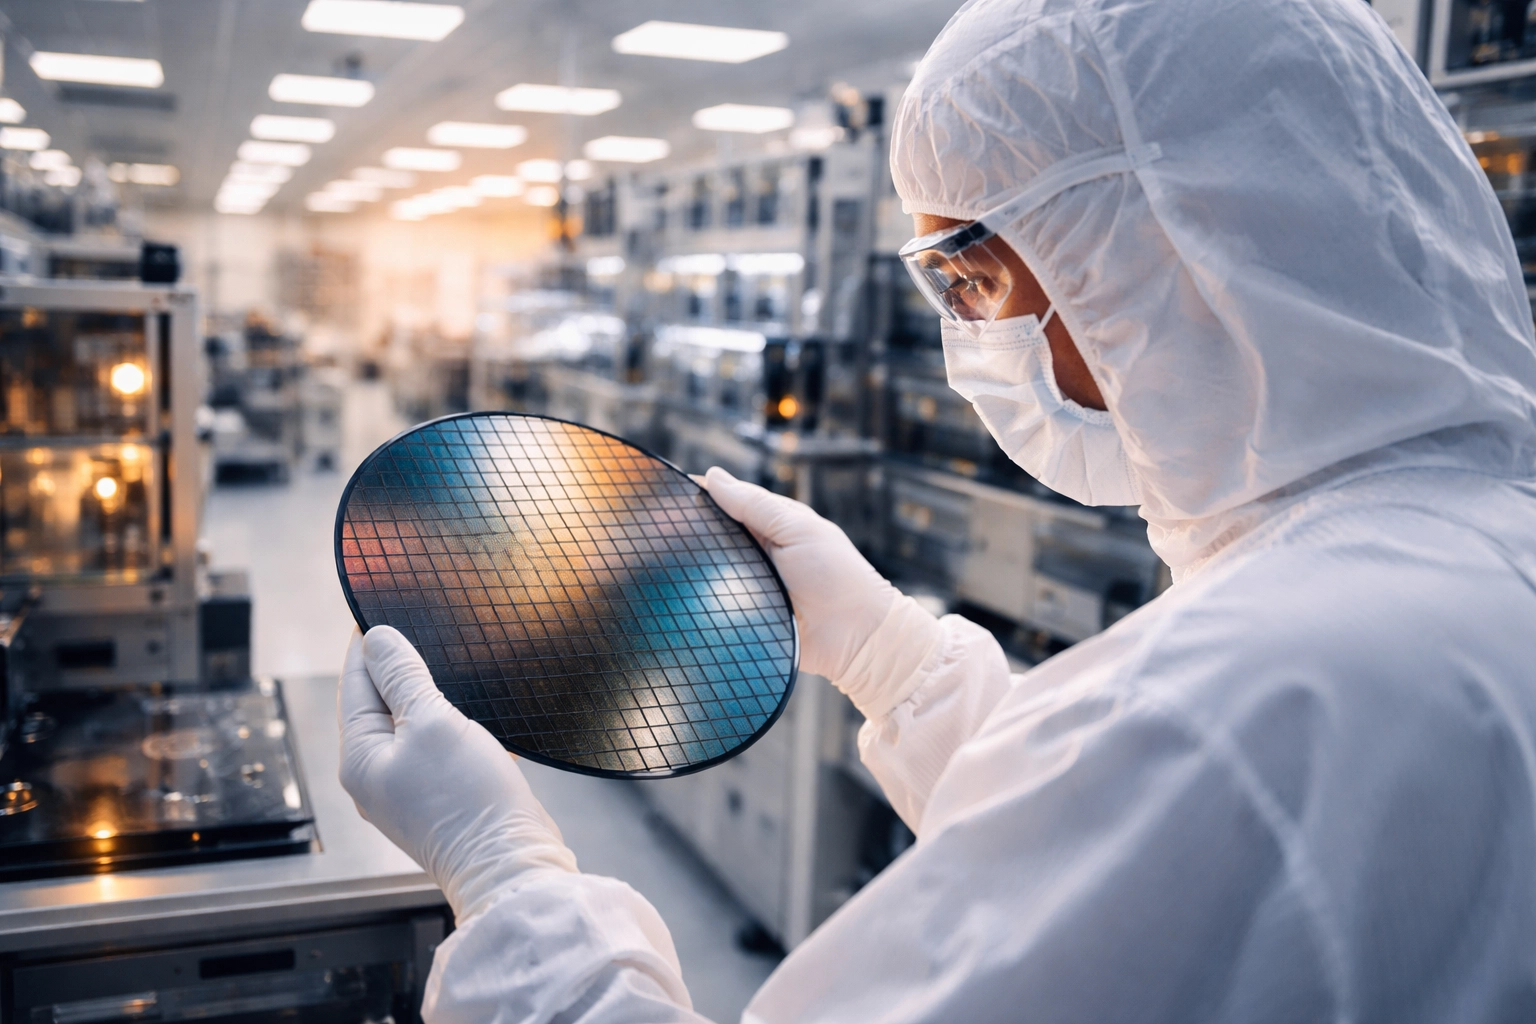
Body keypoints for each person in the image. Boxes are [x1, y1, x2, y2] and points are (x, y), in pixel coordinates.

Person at [338, 0, 1536, 1019]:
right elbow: (1145, 881)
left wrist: (512, 894)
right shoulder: (1461, 561)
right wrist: (895, 658)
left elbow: (1181, 786)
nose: (970, 339)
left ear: (1141, 246)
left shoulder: (1241, 701)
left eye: (970, 278)